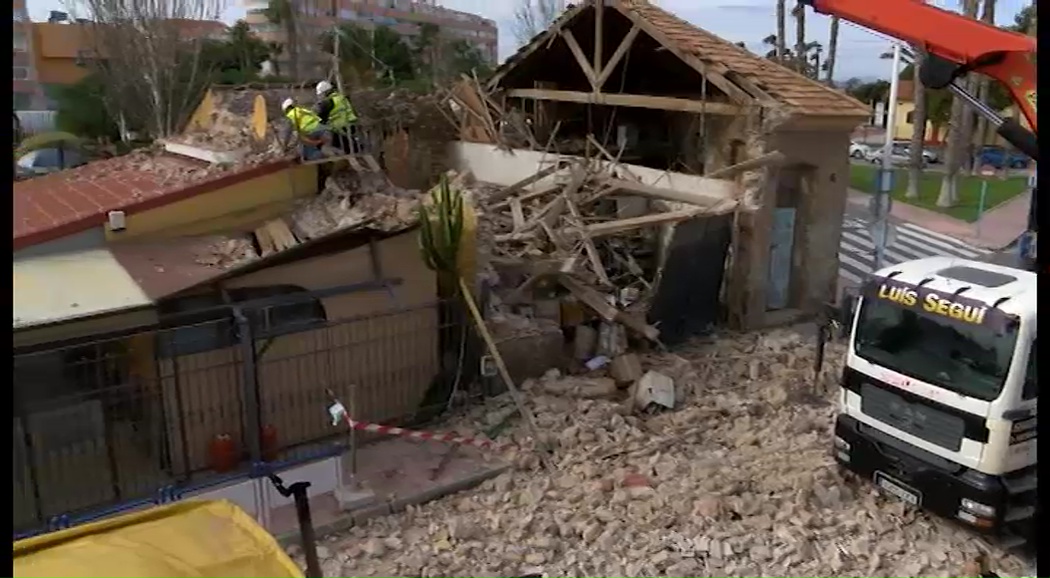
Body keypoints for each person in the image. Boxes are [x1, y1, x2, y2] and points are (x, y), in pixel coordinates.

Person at [314, 80, 360, 153]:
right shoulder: (341, 97)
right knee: (349, 145)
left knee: (335, 143)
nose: (321, 96)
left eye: (321, 94)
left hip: (341, 128)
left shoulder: (328, 102)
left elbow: (320, 118)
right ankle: (356, 150)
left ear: (325, 92)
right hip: (351, 124)